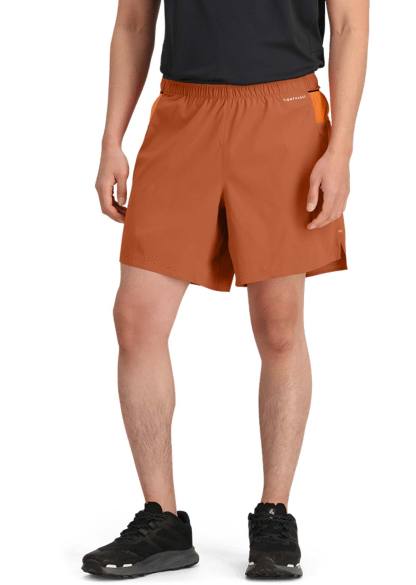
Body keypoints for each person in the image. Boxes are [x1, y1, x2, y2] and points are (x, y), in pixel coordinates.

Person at [82, 0, 368, 579]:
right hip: (182, 113)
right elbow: (134, 23)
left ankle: (274, 513)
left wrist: (340, 150)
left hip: (283, 110)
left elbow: (348, 24)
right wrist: (112, 138)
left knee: (279, 326)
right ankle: (162, 518)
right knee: (136, 318)